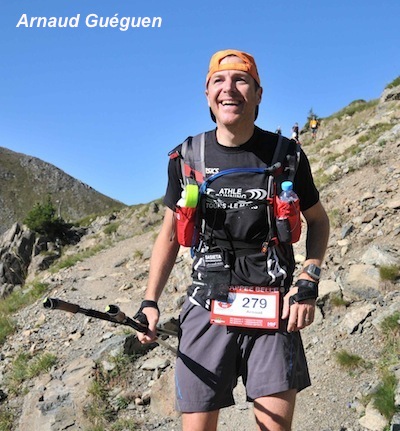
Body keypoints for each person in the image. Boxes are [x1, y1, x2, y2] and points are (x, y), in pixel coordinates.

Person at [137, 49, 330, 431]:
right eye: (219, 81)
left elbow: (319, 222)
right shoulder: (186, 157)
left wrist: (308, 278)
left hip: (273, 308)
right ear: (207, 94)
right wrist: (149, 301)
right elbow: (169, 236)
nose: (230, 89)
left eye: (242, 80)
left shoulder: (287, 156)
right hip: (207, 304)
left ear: (259, 94)